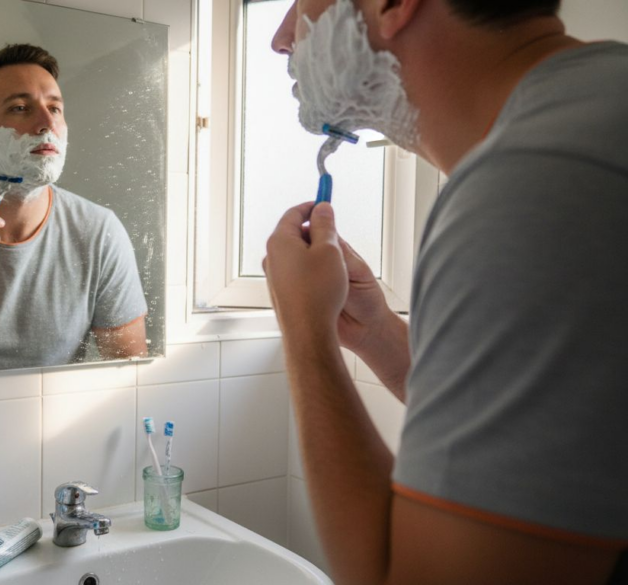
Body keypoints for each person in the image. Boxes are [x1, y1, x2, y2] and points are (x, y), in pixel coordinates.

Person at [263, 0, 628, 583]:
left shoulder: (534, 188)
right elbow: (544, 431)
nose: (282, 39)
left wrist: (306, 335)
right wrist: (379, 334)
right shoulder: (594, 115)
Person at [0, 44, 148, 375]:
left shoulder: (99, 231)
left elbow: (130, 372)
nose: (46, 123)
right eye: (21, 108)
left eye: (55, 108)